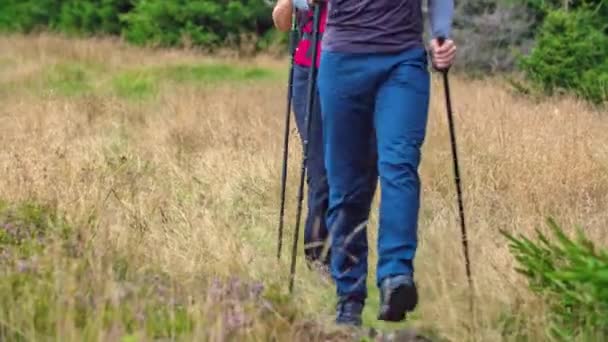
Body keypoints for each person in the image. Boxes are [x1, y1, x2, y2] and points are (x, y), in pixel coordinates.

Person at [313, 0, 458, 326]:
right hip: (342, 64)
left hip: (402, 62)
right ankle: (348, 298)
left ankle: (396, 276)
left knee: (399, 164)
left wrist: (441, 34)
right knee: (347, 186)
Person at [272, 0, 331, 270]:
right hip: (310, 71)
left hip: (356, 69)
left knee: (353, 168)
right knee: (320, 168)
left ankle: (346, 249)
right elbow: (282, 22)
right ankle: (319, 256)